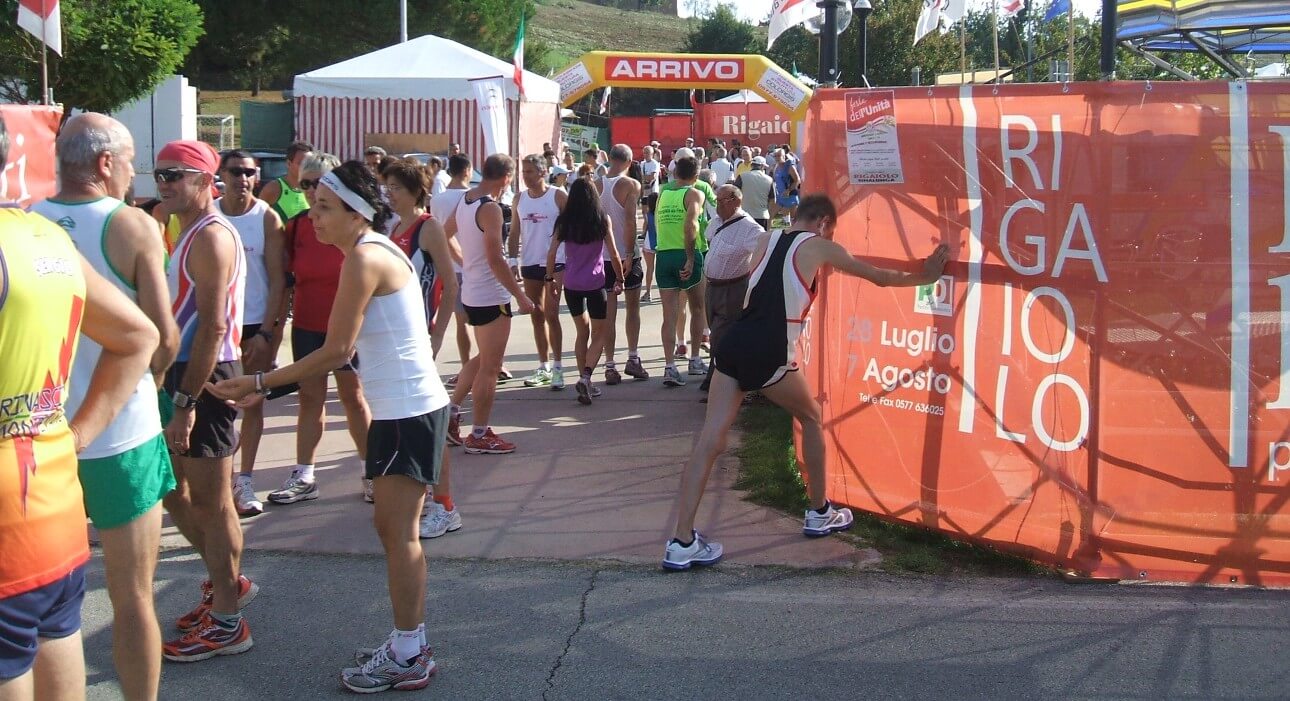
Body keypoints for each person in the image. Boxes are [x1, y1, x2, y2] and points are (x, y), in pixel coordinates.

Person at [207, 162, 444, 693]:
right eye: (313, 206)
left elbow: (337, 351)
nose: (313, 217)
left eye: (325, 209)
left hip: (408, 412)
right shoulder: (371, 250)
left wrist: (261, 382)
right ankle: (409, 642)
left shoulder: (364, 257)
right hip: (400, 411)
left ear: (356, 212)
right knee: (392, 532)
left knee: (400, 536)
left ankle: (410, 654)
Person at [663, 195, 950, 569]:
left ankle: (681, 541)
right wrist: (925, 276)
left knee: (709, 440)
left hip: (732, 341)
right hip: (769, 350)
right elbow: (878, 277)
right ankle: (818, 511)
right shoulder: (821, 245)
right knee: (812, 418)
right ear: (824, 223)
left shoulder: (765, 238)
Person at [0, 116, 160, 701]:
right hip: (62, 477)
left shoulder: (46, 225)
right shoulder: (45, 236)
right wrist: (74, 435)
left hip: (23, 494)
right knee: (82, 619)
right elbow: (147, 337)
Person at [153, 140, 256, 662]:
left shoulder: (211, 236)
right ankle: (226, 589)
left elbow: (214, 326)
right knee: (177, 494)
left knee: (210, 506)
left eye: (174, 174)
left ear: (202, 180)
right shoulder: (187, 230)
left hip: (206, 376)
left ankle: (227, 621)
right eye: (159, 175)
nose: (164, 184)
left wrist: (186, 401)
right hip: (189, 373)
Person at [272, 153, 374, 506]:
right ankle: (304, 474)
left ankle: (371, 470)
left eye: (321, 183)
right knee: (310, 400)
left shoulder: (356, 229)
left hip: (347, 329)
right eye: (306, 184)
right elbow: (285, 278)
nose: (313, 191)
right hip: (306, 325)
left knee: (353, 398)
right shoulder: (298, 225)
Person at [444, 155, 535, 454]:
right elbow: (496, 259)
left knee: (484, 358)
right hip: (490, 296)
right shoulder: (491, 208)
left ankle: (452, 412)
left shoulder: (467, 199)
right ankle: (479, 434)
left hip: (473, 292)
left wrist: (464, 262)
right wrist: (520, 295)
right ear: (507, 178)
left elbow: (445, 234)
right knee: (491, 368)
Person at [214, 151, 287, 518]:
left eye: (249, 173)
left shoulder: (267, 218)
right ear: (221, 174)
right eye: (236, 172)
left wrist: (268, 332)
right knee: (218, 405)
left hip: (254, 325)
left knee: (253, 402)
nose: (242, 178)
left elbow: (278, 280)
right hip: (216, 326)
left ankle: (245, 479)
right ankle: (218, 480)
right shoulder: (208, 213)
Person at [547, 178, 625, 405]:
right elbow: (614, 252)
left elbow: (552, 253)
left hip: (571, 284)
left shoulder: (564, 222)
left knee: (582, 332)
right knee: (600, 332)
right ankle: (586, 377)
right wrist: (619, 278)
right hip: (595, 283)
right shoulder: (601, 220)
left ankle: (585, 383)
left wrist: (549, 277)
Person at [698, 185, 765, 394]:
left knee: (721, 336)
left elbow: (764, 250)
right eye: (716, 201)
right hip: (713, 288)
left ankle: (717, 381)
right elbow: (709, 236)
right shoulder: (717, 222)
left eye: (721, 201)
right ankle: (721, 376)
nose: (717, 205)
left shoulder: (749, 228)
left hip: (732, 288)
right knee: (715, 332)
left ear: (736, 201)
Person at [510, 155, 568, 390]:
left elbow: (573, 225)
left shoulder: (557, 195)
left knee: (552, 314)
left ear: (543, 173)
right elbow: (514, 232)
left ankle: (558, 367)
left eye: (530, 172)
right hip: (530, 262)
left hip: (556, 262)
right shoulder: (519, 199)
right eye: (523, 172)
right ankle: (543, 366)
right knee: (536, 313)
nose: (525, 176)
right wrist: (512, 259)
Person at [653, 156, 708, 388]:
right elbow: (691, 224)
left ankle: (669, 366)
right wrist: (688, 256)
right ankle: (695, 359)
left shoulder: (663, 194)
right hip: (686, 252)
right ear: (696, 177)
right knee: (697, 307)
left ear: (675, 174)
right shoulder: (694, 193)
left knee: (670, 314)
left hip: (663, 254)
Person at [598, 145, 648, 384]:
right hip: (627, 253)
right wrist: (629, 252)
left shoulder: (595, 185)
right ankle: (633, 357)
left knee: (609, 312)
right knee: (632, 309)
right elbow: (630, 221)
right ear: (629, 161)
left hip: (604, 256)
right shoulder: (630, 185)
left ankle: (609, 364)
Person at [431, 154, 474, 386]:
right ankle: (487, 364)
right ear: (467, 170)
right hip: (474, 265)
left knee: (461, 322)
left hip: (448, 266)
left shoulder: (437, 200)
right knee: (484, 322)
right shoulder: (475, 197)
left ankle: (467, 367)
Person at [259, 140, 313, 222]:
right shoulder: (273, 188)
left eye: (309, 163)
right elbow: (257, 219)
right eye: (301, 163)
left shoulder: (314, 189)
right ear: (288, 164)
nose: (306, 167)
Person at [639, 146, 662, 303]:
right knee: (658, 269)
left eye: (648, 152)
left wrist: (644, 178)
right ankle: (655, 293)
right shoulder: (660, 215)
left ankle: (648, 293)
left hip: (650, 242)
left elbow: (648, 178)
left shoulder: (654, 163)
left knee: (650, 269)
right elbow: (643, 178)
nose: (646, 154)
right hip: (659, 242)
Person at [735, 156, 774, 231]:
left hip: (744, 215)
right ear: (762, 166)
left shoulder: (742, 176)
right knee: (760, 240)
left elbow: (734, 194)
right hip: (762, 216)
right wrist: (769, 214)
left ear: (752, 165)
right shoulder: (769, 179)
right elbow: (772, 200)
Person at [773, 148, 801, 223]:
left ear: (783, 156)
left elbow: (797, 180)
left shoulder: (789, 166)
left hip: (791, 196)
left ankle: (794, 233)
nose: (777, 158)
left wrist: (788, 190)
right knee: (778, 219)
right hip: (780, 197)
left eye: (779, 156)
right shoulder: (776, 167)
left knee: (793, 220)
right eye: (775, 156)